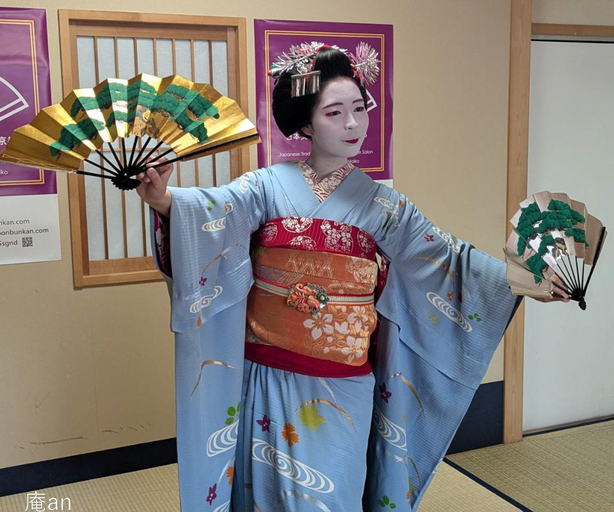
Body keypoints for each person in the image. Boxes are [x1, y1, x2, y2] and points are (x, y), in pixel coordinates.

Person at [135, 44, 567, 512]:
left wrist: (524, 281)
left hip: (343, 380)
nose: (353, 125)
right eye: (335, 112)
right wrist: (163, 199)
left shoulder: (383, 204)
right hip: (267, 372)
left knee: (331, 496)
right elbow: (212, 213)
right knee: (264, 494)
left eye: (359, 109)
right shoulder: (264, 185)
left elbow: (446, 258)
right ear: (305, 122)